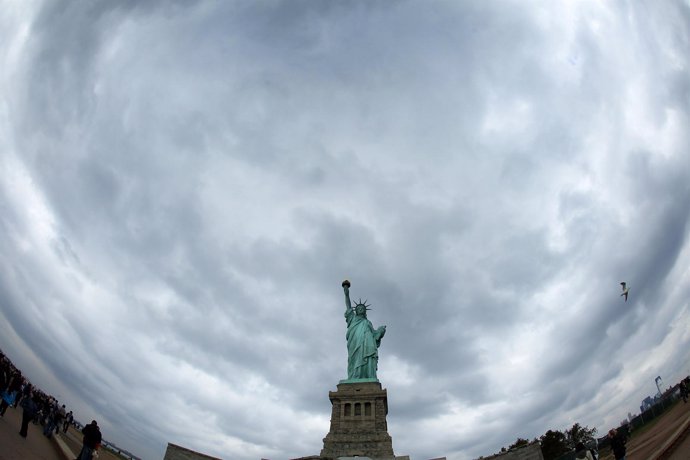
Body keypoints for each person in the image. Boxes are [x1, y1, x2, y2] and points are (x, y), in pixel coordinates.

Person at [342, 280, 386, 380]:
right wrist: (346, 294)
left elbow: (375, 335)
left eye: (363, 308)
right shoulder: (352, 318)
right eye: (358, 308)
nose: (361, 309)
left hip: (367, 344)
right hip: (355, 342)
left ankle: (367, 376)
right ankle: (354, 376)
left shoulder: (368, 323)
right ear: (356, 311)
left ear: (365, 311)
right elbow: (348, 306)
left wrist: (380, 331)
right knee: (354, 358)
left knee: (368, 357)